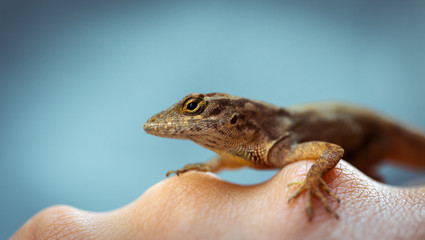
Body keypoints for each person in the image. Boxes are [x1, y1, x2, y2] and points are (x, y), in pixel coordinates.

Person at [12, 160, 425, 240]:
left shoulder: (280, 142)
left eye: (193, 109)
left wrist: (312, 177)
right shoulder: (236, 152)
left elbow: (331, 149)